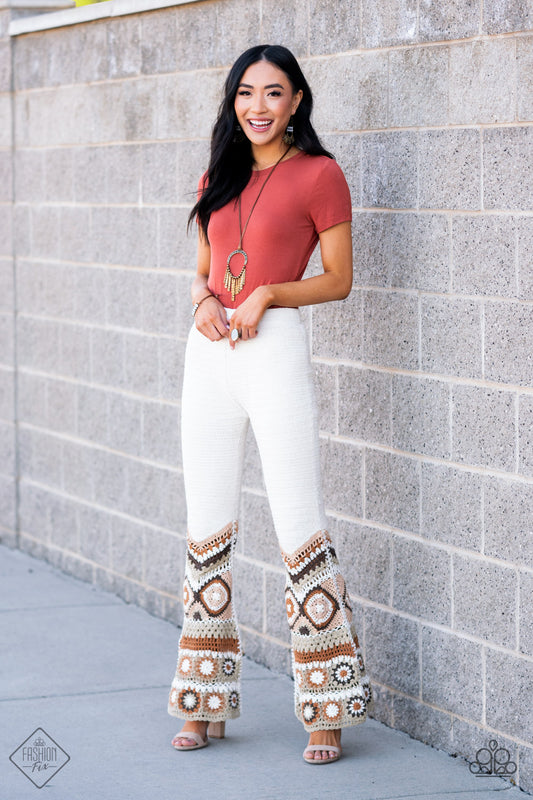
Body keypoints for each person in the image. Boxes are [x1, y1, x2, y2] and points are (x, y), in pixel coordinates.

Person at [167, 44, 372, 765]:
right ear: (234, 102)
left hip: (274, 346)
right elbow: (202, 271)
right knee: (206, 526)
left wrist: (269, 294)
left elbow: (339, 279)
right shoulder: (217, 174)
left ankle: (327, 709)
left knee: (298, 522)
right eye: (246, 93)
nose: (258, 106)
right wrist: (201, 301)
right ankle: (203, 701)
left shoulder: (320, 174)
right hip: (209, 355)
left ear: (296, 101)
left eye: (274, 92)